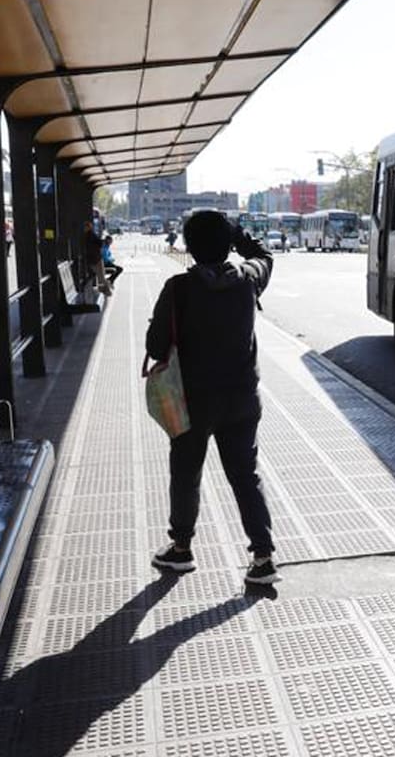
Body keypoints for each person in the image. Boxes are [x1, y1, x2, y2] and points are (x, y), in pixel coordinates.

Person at [146, 210, 278, 584]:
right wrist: (240, 237)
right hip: (241, 399)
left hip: (192, 401)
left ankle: (182, 549)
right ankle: (263, 557)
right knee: (245, 475)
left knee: (186, 472)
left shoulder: (177, 289)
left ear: (188, 246)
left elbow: (156, 347)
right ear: (227, 243)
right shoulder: (249, 279)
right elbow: (266, 257)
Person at [81, 221, 112, 296]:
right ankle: (106, 288)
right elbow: (99, 243)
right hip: (95, 258)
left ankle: (108, 291)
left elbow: (99, 243)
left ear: (88, 227)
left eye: (85, 227)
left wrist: (95, 249)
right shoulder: (90, 235)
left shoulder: (90, 235)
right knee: (99, 276)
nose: (84, 229)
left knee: (100, 277)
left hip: (95, 259)